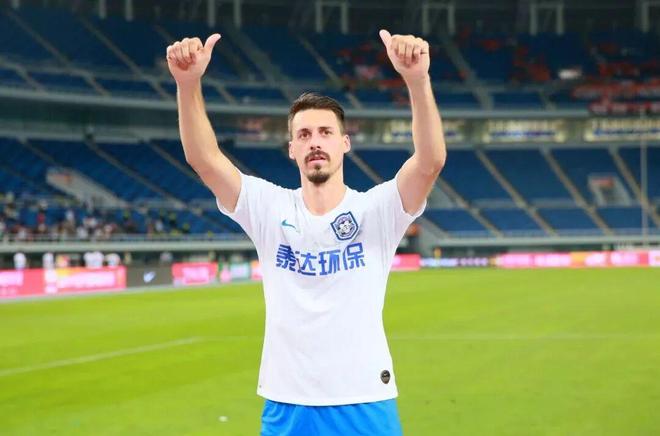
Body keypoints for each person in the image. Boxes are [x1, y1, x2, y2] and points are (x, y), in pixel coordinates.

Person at [167, 28, 446, 435]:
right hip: (288, 404)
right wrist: (187, 84)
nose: (315, 142)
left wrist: (417, 81)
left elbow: (429, 162)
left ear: (345, 143)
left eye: (325, 133)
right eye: (304, 135)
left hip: (363, 399)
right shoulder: (269, 208)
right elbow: (204, 160)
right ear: (292, 149)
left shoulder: (376, 210)